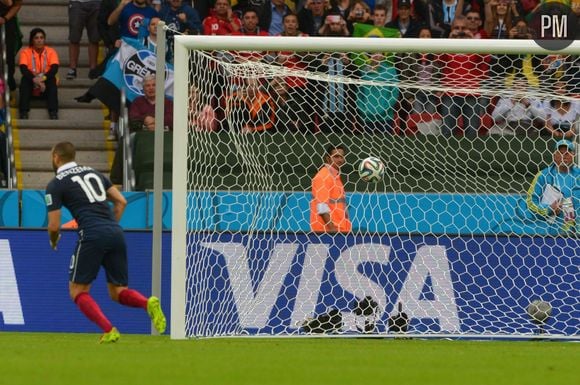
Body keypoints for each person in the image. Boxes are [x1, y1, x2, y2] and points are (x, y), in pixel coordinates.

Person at [46, 141, 167, 343]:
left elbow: (53, 226)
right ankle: (147, 303)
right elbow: (121, 201)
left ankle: (109, 330)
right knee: (118, 292)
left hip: (92, 234)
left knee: (77, 291)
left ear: (56, 158)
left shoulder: (56, 183)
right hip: (115, 232)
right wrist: (109, 226)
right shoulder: (95, 173)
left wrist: (54, 240)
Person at [526, 139, 580, 233]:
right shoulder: (543, 176)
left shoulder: (578, 175)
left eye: (567, 153)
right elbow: (531, 202)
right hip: (553, 233)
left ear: (573, 155)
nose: (564, 156)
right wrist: (549, 209)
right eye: (560, 153)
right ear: (554, 156)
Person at [18, 28, 60, 120]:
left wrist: (42, 79)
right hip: (32, 80)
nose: (39, 40)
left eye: (41, 37)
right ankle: (23, 112)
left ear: (44, 39)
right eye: (36, 38)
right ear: (32, 40)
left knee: (52, 80)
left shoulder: (51, 51)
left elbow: (54, 69)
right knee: (24, 80)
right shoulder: (26, 52)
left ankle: (53, 112)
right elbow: (23, 69)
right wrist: (35, 79)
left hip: (46, 80)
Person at [310, 145, 352, 233]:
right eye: (336, 157)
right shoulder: (323, 177)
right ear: (328, 158)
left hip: (340, 231)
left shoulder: (336, 177)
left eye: (342, 157)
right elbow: (322, 207)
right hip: (326, 233)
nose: (340, 160)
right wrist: (332, 231)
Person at [67, 0, 102, 80]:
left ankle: (93, 69)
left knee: (94, 38)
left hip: (96, 3)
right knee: (74, 37)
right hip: (76, 3)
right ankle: (72, 69)